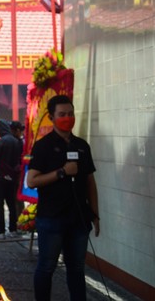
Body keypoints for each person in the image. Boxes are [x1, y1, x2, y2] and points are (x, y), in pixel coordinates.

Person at [27, 95, 100, 300]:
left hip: (79, 219)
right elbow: (31, 181)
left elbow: (90, 182)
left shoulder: (82, 146)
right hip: (51, 218)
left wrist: (95, 214)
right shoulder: (43, 146)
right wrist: (61, 172)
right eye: (62, 115)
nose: (67, 118)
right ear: (52, 117)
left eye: (70, 114)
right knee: (46, 267)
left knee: (76, 268)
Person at [0, 119, 23, 239]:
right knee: (12, 204)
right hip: (13, 178)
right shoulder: (18, 141)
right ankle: (13, 229)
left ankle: (0, 231)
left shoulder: (1, 142)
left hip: (0, 177)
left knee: (0, 205)